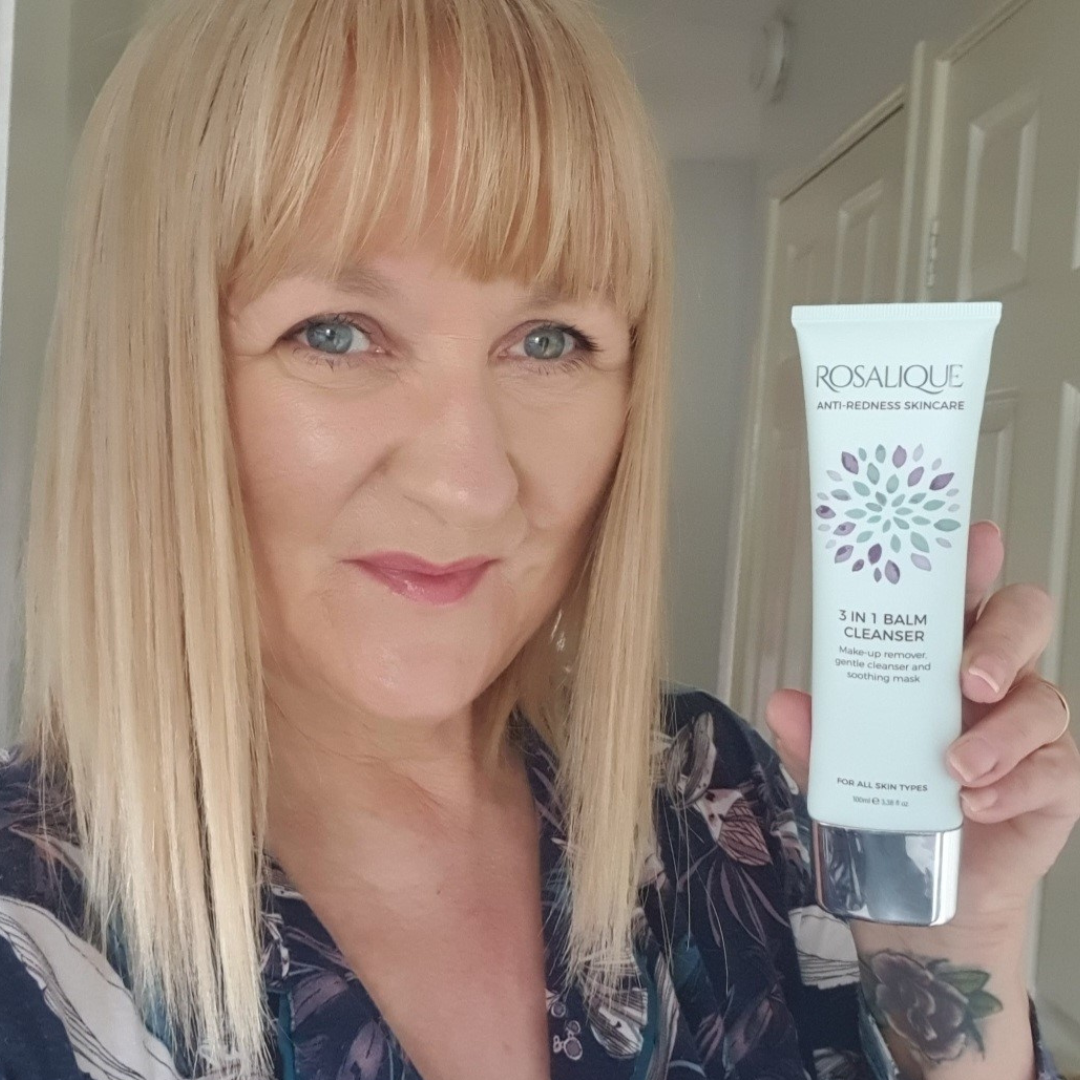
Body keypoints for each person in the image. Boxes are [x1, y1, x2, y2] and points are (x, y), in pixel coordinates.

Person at [0, 0, 1077, 1077]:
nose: (469, 486)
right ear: (156, 373)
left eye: (550, 341)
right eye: (335, 333)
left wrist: (955, 937)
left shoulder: (724, 801)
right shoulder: (31, 938)